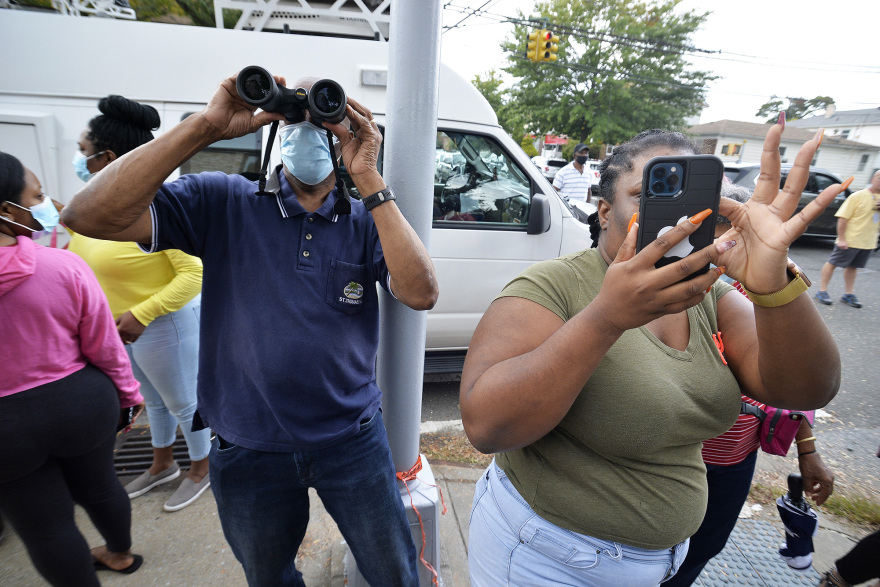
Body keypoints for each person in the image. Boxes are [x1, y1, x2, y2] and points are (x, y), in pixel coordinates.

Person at [61, 73, 439, 586]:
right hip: (247, 447)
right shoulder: (223, 201)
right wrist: (207, 126)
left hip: (351, 440)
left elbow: (421, 292)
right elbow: (87, 216)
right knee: (268, 577)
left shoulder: (365, 218)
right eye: (293, 117)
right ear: (275, 131)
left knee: (393, 570)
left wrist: (369, 177)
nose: (307, 130)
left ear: (345, 129)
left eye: (322, 119)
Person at [460, 120, 845, 586]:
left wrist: (774, 286)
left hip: (661, 564)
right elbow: (487, 426)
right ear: (604, 211)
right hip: (544, 556)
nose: (681, 217)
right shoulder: (553, 285)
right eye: (652, 194)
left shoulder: (711, 295)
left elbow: (808, 387)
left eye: (695, 199)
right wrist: (606, 318)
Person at [662, 182, 836, 587]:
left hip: (732, 458)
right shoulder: (672, 281)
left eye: (739, 227)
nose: (729, 239)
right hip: (673, 451)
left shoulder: (775, 286)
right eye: (720, 226)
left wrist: (807, 449)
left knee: (704, 547)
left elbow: (797, 382)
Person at [0, 152, 145, 585]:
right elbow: (104, 345)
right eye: (37, 196)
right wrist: (129, 395)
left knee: (45, 526)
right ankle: (120, 554)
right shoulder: (63, 267)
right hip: (80, 404)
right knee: (101, 486)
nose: (47, 204)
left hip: (6, 429)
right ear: (8, 210)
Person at [66, 95, 208, 512]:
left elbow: (193, 274)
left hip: (163, 325)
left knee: (184, 402)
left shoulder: (154, 206)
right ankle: (162, 465)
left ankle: (202, 468)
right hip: (122, 328)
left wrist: (142, 314)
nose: (80, 159)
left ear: (106, 157)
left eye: (83, 152)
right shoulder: (95, 208)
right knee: (155, 401)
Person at [815, 169, 880, 308]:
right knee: (832, 263)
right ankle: (822, 291)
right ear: (873, 179)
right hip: (850, 239)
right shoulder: (858, 196)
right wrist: (842, 238)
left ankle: (848, 294)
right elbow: (843, 218)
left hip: (868, 242)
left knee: (853, 267)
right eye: (879, 177)